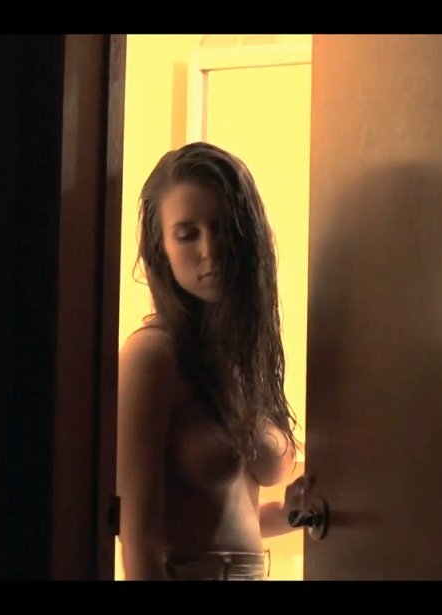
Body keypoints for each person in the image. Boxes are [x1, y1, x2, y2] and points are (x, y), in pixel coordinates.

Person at [117, 142, 306, 580]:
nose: (211, 250)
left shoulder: (245, 355)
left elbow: (233, 517)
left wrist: (294, 513)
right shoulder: (153, 356)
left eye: (224, 229)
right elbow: (138, 531)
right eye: (188, 234)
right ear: (161, 248)